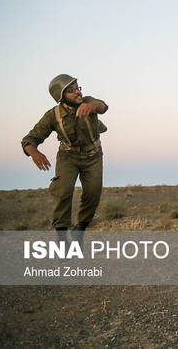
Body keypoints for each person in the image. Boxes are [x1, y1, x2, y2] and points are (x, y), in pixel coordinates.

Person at [21, 74, 108, 245]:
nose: (77, 92)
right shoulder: (53, 116)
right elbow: (29, 140)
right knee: (62, 192)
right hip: (68, 157)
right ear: (61, 97)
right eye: (70, 90)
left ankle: (80, 229)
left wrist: (92, 106)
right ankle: (62, 241)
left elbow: (103, 106)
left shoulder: (88, 101)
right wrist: (34, 153)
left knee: (93, 193)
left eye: (77, 87)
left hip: (93, 155)